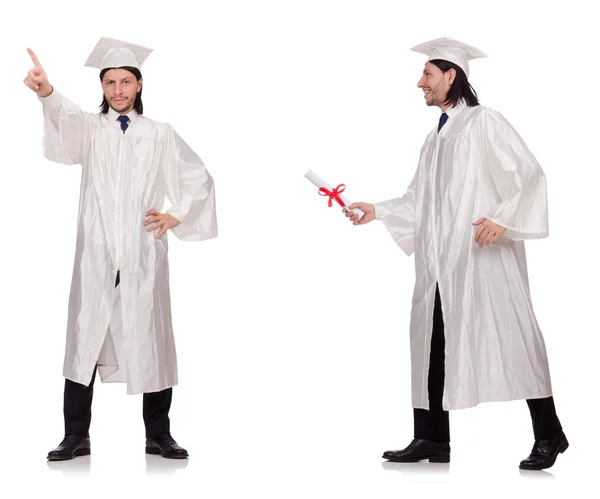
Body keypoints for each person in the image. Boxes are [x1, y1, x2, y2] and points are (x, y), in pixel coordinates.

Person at [345, 37, 567, 471]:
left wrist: (504, 218)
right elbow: (419, 200)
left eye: (427, 75)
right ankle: (431, 438)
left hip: (482, 260)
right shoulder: (435, 139)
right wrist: (378, 211)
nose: (419, 83)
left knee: (515, 339)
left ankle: (550, 433)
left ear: (452, 76)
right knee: (432, 343)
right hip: (439, 265)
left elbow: (527, 173)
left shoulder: (483, 122)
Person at [23, 37, 217, 460]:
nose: (117, 90)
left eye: (125, 81)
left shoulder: (160, 134)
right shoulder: (93, 130)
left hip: (143, 252)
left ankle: (159, 435)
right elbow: (68, 118)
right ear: (103, 88)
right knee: (84, 338)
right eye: (109, 83)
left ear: (139, 83)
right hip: (97, 251)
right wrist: (47, 92)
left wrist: (175, 215)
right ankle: (75, 435)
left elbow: (198, 177)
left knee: (152, 337)